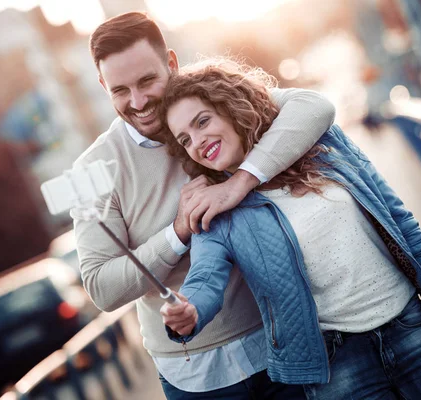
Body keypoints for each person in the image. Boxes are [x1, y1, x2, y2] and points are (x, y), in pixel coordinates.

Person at [159, 60, 421, 400]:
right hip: (336, 366)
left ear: (229, 107)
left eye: (203, 121)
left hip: (413, 328)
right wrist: (190, 312)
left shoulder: (320, 141)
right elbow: (205, 277)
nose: (197, 141)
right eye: (186, 138)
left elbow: (400, 221)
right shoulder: (215, 210)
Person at [71, 12, 336, 400]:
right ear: (102, 85)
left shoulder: (211, 100)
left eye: (147, 81)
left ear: (172, 63)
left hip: (284, 340)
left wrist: (241, 181)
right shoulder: (90, 170)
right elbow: (101, 288)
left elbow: (314, 107)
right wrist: (177, 232)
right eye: (120, 90)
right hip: (195, 378)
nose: (138, 102)